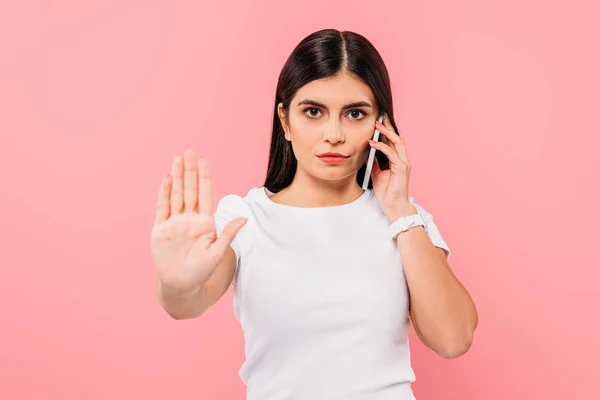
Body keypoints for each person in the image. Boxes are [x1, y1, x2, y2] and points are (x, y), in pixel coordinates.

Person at [151, 29, 478, 400]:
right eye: (313, 112)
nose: (334, 134)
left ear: (379, 124)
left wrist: (400, 211)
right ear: (286, 121)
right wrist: (176, 284)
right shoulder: (246, 217)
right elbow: (189, 302)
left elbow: (453, 339)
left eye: (355, 113)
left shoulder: (407, 220)